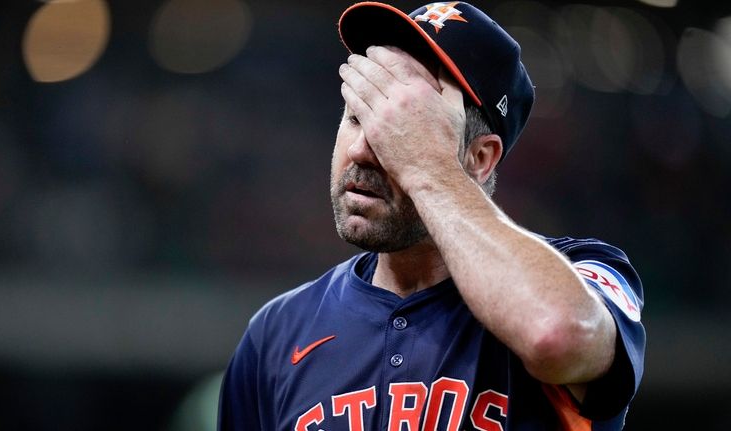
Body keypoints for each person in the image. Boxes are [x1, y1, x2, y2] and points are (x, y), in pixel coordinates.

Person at [218, 1, 645, 430]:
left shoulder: (582, 274)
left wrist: (426, 168)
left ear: (479, 158)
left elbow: (555, 335)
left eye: (405, 127)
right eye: (358, 116)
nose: (362, 149)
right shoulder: (275, 336)